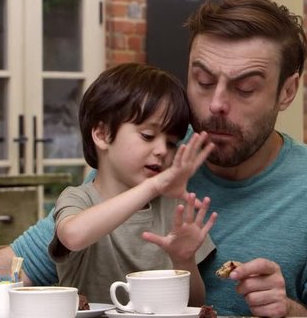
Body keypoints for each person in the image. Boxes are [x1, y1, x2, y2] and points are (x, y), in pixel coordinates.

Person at [0, 0, 307, 317]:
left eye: (245, 88)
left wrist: (289, 309)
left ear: (287, 91)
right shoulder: (154, 156)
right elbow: (30, 260)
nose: (216, 104)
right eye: (202, 81)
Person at [48, 63, 217, 305]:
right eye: (148, 136)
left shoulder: (173, 207)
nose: (161, 151)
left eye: (171, 143)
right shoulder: (78, 199)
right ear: (102, 134)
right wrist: (154, 185)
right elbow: (73, 236)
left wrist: (184, 260)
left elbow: (195, 304)